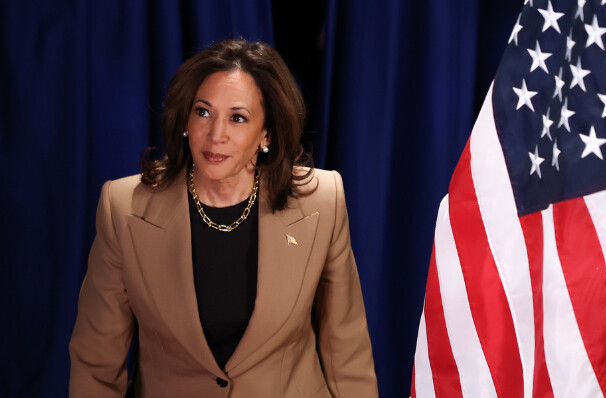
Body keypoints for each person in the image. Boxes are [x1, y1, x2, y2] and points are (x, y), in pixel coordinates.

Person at [69, 39, 378, 397]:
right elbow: (97, 362)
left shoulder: (322, 201)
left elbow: (347, 354)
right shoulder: (124, 207)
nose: (216, 135)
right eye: (203, 112)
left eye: (238, 117)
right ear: (185, 119)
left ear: (266, 132)